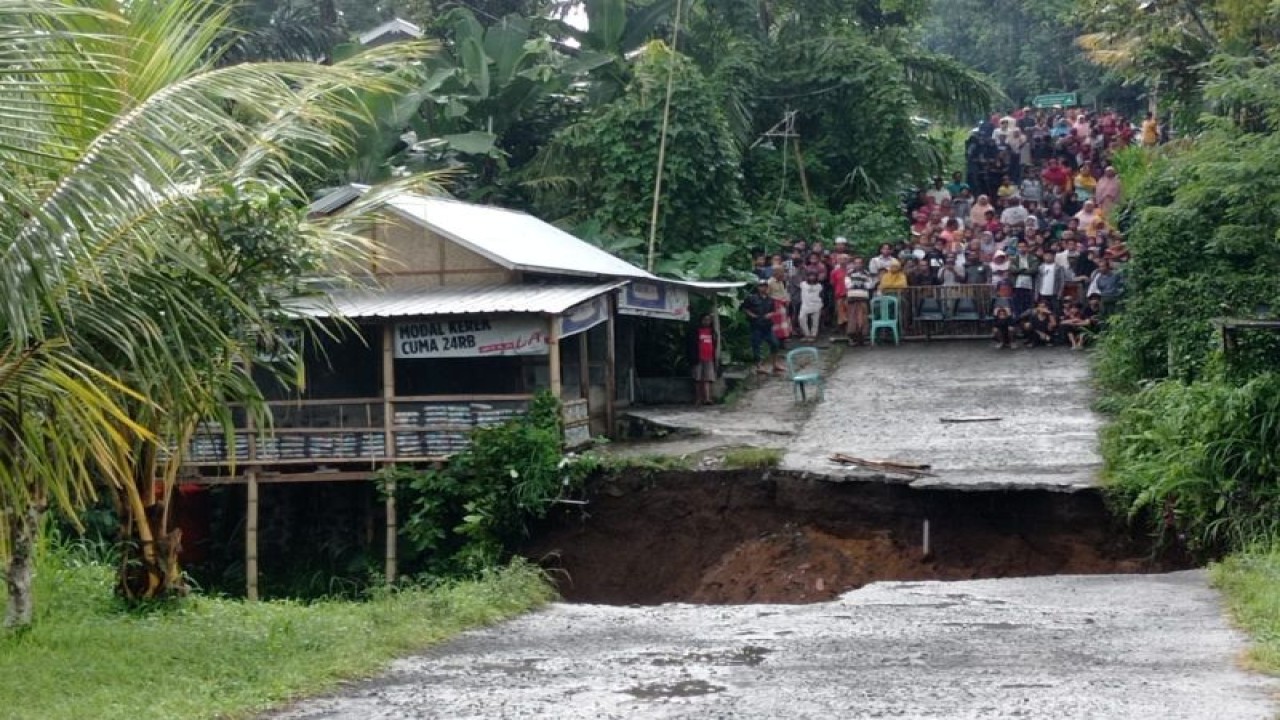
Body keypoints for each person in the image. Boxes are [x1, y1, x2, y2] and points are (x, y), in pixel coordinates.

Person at [742, 280, 786, 375]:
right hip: (756, 325)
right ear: (758, 287)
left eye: (765, 286)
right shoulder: (752, 298)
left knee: (775, 344)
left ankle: (775, 363)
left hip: (767, 326)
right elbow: (745, 308)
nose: (763, 288)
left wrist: (770, 314)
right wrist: (751, 315)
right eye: (761, 286)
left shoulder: (770, 299)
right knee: (757, 346)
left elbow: (773, 310)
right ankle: (759, 366)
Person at [844, 256, 874, 345]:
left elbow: (870, 285)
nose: (858, 265)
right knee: (852, 317)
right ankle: (853, 338)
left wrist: (859, 284)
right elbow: (848, 285)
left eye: (860, 263)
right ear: (853, 264)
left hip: (863, 298)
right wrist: (860, 283)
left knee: (863, 318)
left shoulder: (866, 273)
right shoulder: (849, 273)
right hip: (852, 298)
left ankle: (862, 337)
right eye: (856, 263)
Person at [689, 313, 718, 404]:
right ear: (701, 321)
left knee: (707, 379)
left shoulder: (712, 332)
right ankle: (698, 398)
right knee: (697, 379)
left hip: (709, 358)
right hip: (698, 357)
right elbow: (692, 345)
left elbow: (714, 345)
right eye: (705, 320)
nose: (707, 322)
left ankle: (707, 398)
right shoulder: (696, 331)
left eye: (709, 320)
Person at [798, 271, 824, 341]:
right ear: (807, 277)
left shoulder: (819, 286)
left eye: (814, 276)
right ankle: (807, 334)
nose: (812, 277)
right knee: (801, 318)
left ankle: (813, 335)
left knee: (815, 321)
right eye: (810, 276)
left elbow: (822, 296)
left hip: (816, 305)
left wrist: (821, 305)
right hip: (805, 305)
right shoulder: (803, 284)